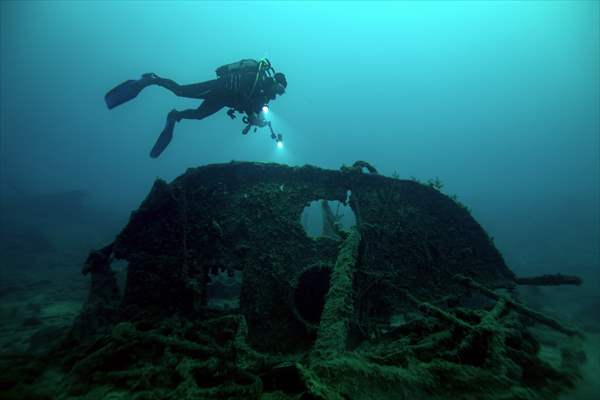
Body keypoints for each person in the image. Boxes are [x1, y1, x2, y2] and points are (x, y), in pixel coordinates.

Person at [104, 59, 287, 158]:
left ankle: (175, 116)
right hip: (219, 88)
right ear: (274, 82)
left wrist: (255, 118)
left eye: (281, 92)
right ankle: (152, 79)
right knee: (180, 91)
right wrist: (252, 112)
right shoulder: (255, 78)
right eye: (279, 89)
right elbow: (241, 96)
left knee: (199, 115)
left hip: (221, 100)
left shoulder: (260, 95)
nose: (277, 95)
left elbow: (247, 107)